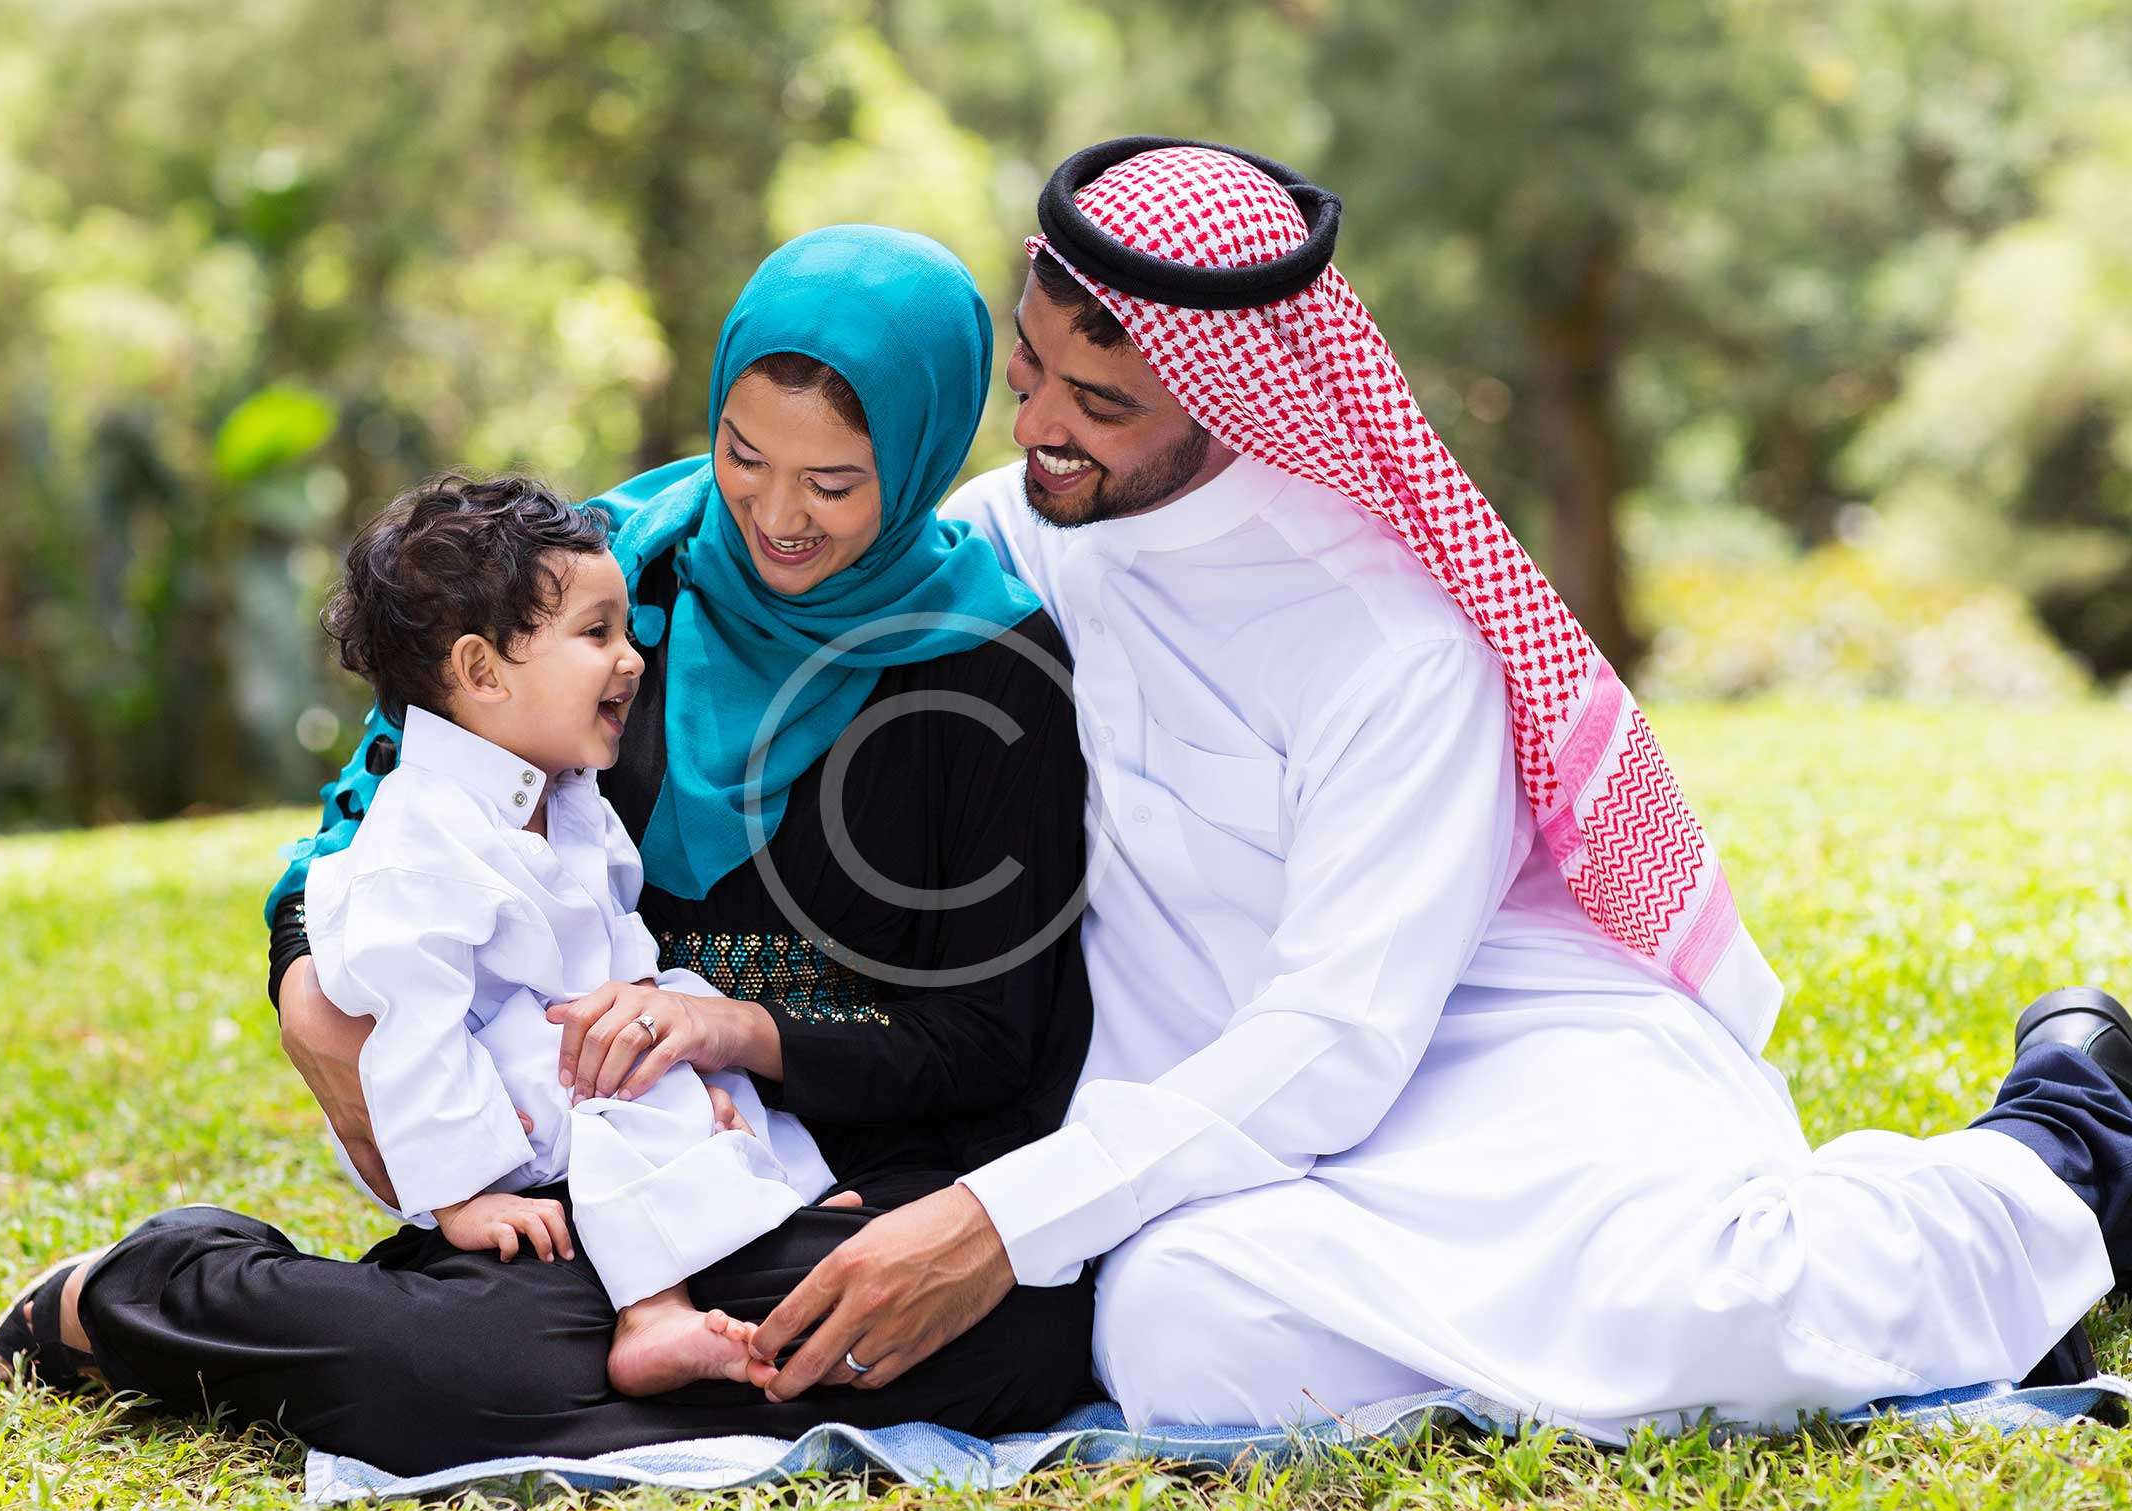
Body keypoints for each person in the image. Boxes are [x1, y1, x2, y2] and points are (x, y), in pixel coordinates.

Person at [737, 139, 2132, 1440]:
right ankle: (1926, 1299)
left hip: (1497, 1062)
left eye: (1099, 403)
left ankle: (2060, 1141)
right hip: (1247, 1116)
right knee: (1173, 1331)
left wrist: (1003, 1218)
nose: (1039, 421)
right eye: (1028, 368)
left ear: (1227, 398)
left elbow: (1342, 1029)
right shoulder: (1029, 528)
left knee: (1722, 1303)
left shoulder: (1390, 634)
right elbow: (777, 525)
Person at [0, 226, 1100, 1475]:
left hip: (830, 1175)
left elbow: (992, 1041)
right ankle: (164, 1287)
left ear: (925, 451)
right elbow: (378, 817)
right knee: (473, 1366)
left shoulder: (991, 677)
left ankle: (488, 1340)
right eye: (743, 455)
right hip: (572, 1154)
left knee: (1022, 1336)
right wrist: (304, 978)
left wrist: (737, 1030)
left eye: (833, 483)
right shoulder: (603, 576)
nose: (778, 515)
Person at [300, 470, 848, 1394]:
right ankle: (654, 1315)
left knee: (663, 1026)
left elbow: (619, 944)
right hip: (477, 1105)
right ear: (482, 673)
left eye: (627, 632)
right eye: (597, 635)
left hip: (554, 1057)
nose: (632, 660)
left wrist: (679, 1059)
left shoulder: (569, 795)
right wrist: (464, 1195)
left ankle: (790, 1207)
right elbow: (415, 1032)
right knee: (601, 1069)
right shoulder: (422, 837)